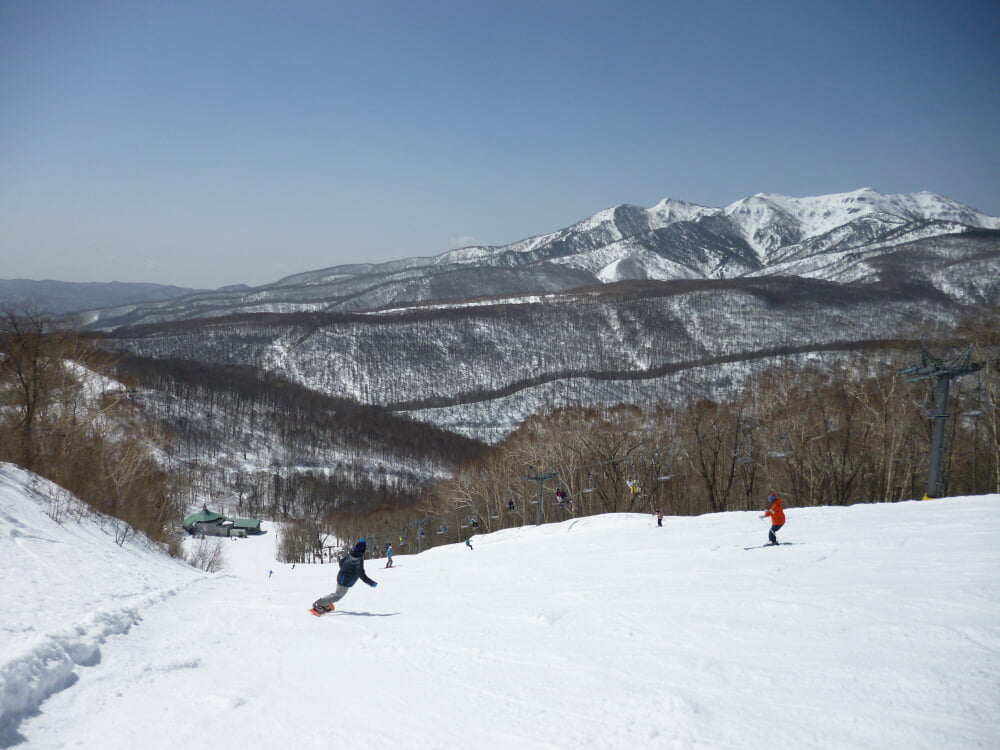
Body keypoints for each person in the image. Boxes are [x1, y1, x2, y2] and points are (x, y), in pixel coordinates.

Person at [311, 538, 378, 613]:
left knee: (336, 594)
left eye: (362, 547)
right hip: (345, 581)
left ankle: (325, 602)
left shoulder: (351, 553)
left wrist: (344, 570)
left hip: (341, 577)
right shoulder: (359, 559)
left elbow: (341, 562)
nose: (360, 549)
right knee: (337, 596)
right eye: (360, 547)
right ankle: (319, 603)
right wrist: (371, 583)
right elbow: (361, 575)